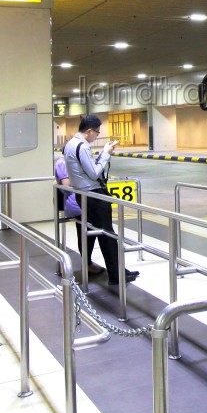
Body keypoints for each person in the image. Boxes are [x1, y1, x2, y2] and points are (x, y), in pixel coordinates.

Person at [63, 115, 138, 286]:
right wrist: (105, 154)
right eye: (96, 132)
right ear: (89, 131)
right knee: (107, 235)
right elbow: (94, 173)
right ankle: (116, 275)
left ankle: (117, 270)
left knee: (103, 234)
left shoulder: (70, 144)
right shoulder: (82, 147)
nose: (97, 135)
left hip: (83, 194)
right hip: (93, 195)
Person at [54, 154, 103, 275]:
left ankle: (88, 262)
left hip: (84, 200)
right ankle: (87, 264)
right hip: (76, 203)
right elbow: (66, 183)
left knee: (89, 233)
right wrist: (83, 176)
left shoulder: (72, 163)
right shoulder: (63, 163)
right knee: (86, 233)